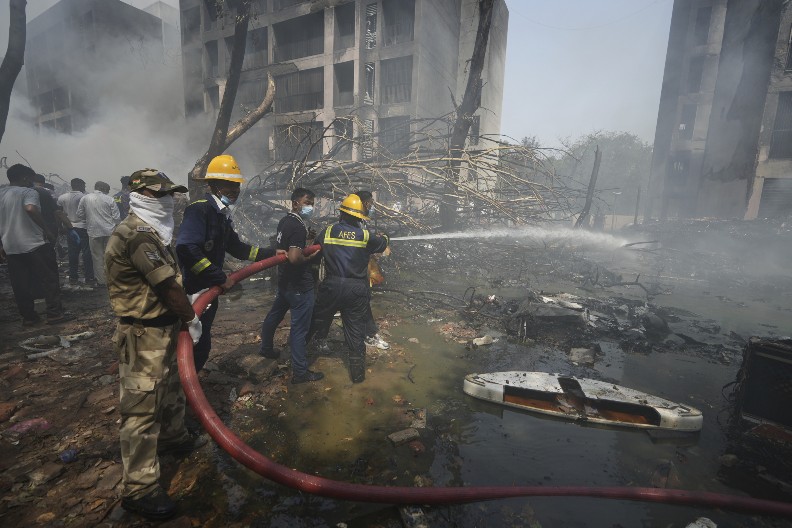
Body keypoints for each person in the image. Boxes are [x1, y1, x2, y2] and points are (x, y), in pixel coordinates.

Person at [105, 169, 205, 521]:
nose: (167, 201)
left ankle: (174, 438)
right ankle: (139, 488)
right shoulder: (137, 235)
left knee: (171, 388)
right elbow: (167, 287)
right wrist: (191, 318)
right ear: (140, 195)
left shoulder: (153, 231)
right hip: (143, 332)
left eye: (169, 194)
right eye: (159, 194)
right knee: (141, 408)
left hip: (163, 328)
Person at [176, 154, 281, 372]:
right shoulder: (200, 209)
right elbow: (186, 248)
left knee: (201, 341)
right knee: (195, 344)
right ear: (214, 185)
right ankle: (181, 390)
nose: (235, 190)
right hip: (194, 292)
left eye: (236, 185)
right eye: (228, 185)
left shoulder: (221, 214)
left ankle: (186, 389)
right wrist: (219, 277)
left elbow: (239, 248)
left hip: (209, 289)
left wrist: (272, 253)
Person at [307, 194, 389, 383]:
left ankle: (295, 361)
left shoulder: (327, 232)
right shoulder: (366, 236)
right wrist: (386, 236)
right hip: (355, 289)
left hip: (331, 287)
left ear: (341, 214)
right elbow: (383, 244)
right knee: (355, 333)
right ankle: (358, 378)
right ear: (360, 217)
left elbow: (314, 254)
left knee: (313, 323)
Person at [259, 187, 323, 384]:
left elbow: (284, 249)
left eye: (312, 203)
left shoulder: (285, 221)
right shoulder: (296, 226)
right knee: (299, 329)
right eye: (307, 202)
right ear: (295, 203)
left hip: (285, 281)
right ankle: (301, 373)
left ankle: (266, 348)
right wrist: (309, 255)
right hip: (300, 285)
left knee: (275, 315)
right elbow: (295, 258)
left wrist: (306, 240)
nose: (310, 206)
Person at [0, 164, 72, 325]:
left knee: (20, 284)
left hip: (11, 246)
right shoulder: (28, 192)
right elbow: (31, 209)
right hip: (35, 244)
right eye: (30, 180)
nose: (32, 183)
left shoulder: (1, 194)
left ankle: (29, 317)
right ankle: (54, 314)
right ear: (25, 178)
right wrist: (46, 230)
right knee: (49, 279)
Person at [354, 191, 390, 350]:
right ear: (362, 204)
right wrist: (383, 240)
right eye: (370, 203)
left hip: (359, 273)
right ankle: (368, 335)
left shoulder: (360, 222)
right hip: (354, 275)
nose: (371, 207)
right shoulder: (355, 224)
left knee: (362, 304)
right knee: (360, 305)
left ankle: (369, 333)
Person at [77, 181, 120, 286]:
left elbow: (79, 214)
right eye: (107, 190)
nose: (108, 192)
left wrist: (89, 218)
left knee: (97, 257)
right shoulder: (110, 199)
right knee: (110, 255)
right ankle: (113, 279)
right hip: (109, 231)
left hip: (93, 231)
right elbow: (117, 218)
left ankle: (102, 281)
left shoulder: (85, 198)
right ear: (103, 188)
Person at [58, 178, 96, 288]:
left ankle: (73, 278)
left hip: (70, 228)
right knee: (87, 254)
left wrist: (61, 227)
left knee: (72, 254)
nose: (84, 187)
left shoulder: (62, 197)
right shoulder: (85, 197)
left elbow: (59, 212)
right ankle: (89, 278)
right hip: (83, 228)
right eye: (83, 185)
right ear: (79, 185)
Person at [32, 173, 71, 261]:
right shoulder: (48, 192)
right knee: (48, 250)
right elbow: (57, 211)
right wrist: (61, 226)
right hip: (48, 224)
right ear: (43, 182)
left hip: (31, 226)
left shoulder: (25, 191)